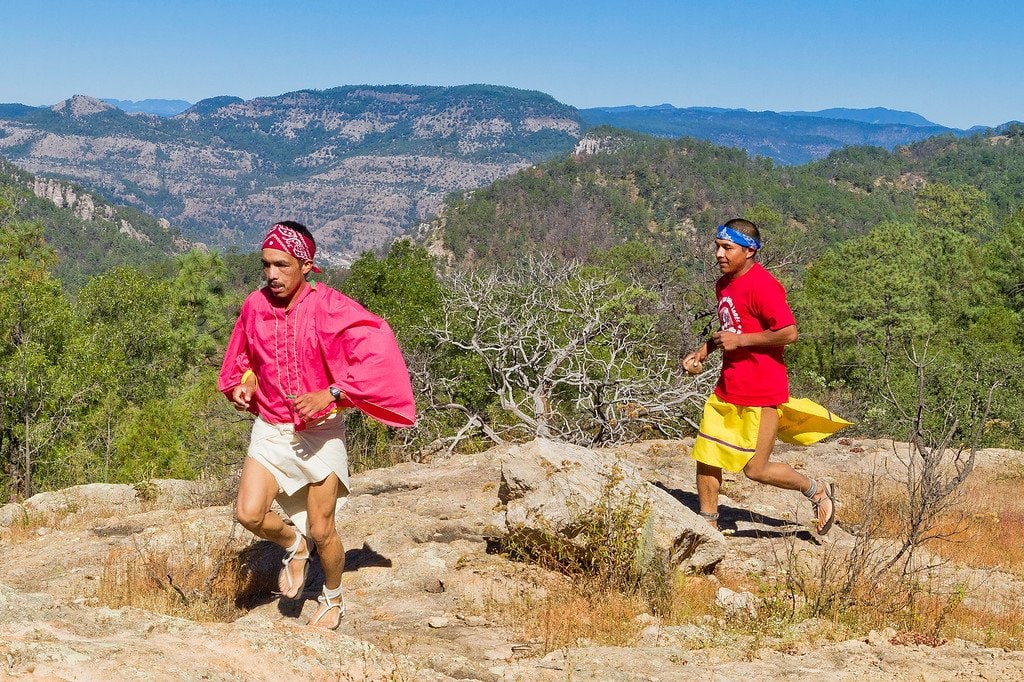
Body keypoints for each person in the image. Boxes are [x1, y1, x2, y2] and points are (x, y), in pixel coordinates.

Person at [218, 221, 415, 629]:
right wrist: (243, 385)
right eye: (266, 265)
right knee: (248, 514)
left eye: (281, 265)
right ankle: (293, 543)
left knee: (324, 529)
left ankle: (332, 594)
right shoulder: (254, 305)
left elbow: (378, 350)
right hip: (272, 426)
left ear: (306, 265)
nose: (272, 274)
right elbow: (245, 358)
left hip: (320, 434)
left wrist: (333, 394)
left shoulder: (331, 307)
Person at [682, 218, 838, 535]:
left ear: (750, 250)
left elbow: (789, 332)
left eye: (727, 248)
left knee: (757, 469)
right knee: (707, 455)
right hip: (728, 388)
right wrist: (703, 351)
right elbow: (731, 327)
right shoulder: (724, 284)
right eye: (717, 246)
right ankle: (708, 523)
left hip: (763, 392)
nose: (719, 254)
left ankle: (816, 489)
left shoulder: (763, 286)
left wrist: (741, 341)